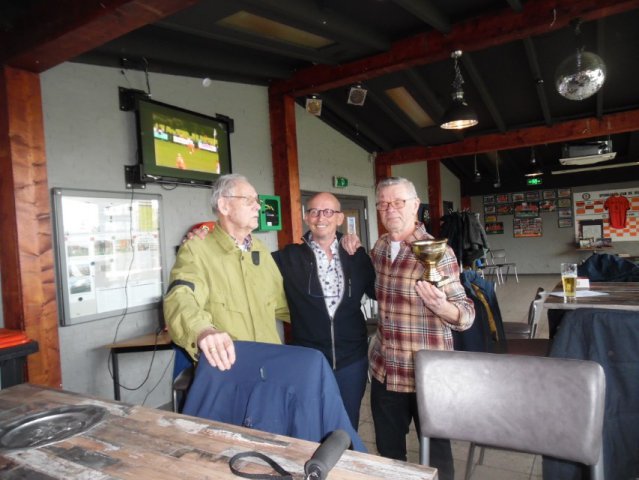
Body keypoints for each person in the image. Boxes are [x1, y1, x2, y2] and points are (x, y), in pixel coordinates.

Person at [345, 176, 474, 479]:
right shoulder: (379, 248)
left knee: (437, 456)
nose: (390, 209)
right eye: (383, 204)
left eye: (398, 202)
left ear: (415, 205)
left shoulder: (438, 251)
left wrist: (442, 307)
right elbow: (374, 287)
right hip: (386, 369)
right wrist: (350, 246)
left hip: (426, 373)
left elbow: (467, 315)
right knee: (389, 453)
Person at [163, 173, 289, 370]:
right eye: (249, 200)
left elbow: (283, 303)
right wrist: (202, 330)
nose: (258, 206)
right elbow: (181, 296)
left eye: (257, 200)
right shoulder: (197, 249)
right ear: (224, 206)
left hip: (270, 363)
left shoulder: (260, 250)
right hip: (227, 366)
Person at [272, 192, 375, 430]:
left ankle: (345, 455)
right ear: (306, 217)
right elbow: (249, 265)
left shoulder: (357, 255)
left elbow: (379, 291)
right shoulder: (288, 257)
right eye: (314, 212)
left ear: (339, 218)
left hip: (352, 359)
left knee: (347, 424)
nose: (321, 218)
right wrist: (202, 236)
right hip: (309, 359)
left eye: (328, 212)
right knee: (310, 423)